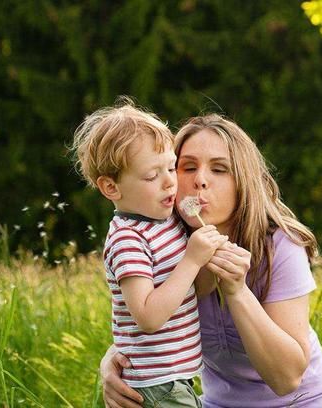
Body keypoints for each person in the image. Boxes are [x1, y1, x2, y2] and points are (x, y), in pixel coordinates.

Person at [101, 114, 322, 407]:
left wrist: (237, 290)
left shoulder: (280, 245)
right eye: (187, 167)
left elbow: (286, 379)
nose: (200, 180)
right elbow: (148, 317)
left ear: (243, 180)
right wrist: (112, 361)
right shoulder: (162, 244)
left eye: (220, 169)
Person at [73, 101, 228, 407]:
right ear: (111, 187)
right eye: (151, 176)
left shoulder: (167, 221)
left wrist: (209, 255)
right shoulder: (127, 239)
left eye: (171, 167)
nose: (170, 181)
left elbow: (198, 288)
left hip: (177, 378)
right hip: (156, 385)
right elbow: (147, 317)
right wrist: (193, 259)